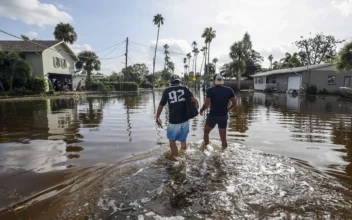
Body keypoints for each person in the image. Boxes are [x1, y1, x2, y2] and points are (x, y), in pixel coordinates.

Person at [156, 75, 199, 160]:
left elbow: (161, 105)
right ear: (179, 81)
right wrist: (196, 108)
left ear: (171, 82)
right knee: (183, 140)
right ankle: (184, 156)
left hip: (174, 121)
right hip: (185, 119)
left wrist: (157, 117)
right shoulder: (184, 88)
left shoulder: (167, 90)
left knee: (172, 141)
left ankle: (176, 159)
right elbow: (195, 100)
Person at [199, 74, 236, 150]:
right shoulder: (229, 90)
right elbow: (235, 103)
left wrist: (201, 110)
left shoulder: (210, 90)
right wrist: (227, 109)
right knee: (223, 138)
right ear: (222, 81)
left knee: (206, 132)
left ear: (214, 81)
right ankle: (224, 152)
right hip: (223, 116)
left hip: (213, 116)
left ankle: (207, 150)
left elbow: (206, 104)